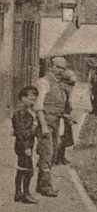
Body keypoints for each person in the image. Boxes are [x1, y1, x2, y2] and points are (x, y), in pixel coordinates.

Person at [32, 56, 69, 197]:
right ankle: (46, 187)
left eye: (63, 68)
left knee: (51, 153)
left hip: (54, 122)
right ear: (51, 67)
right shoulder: (44, 82)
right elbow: (39, 106)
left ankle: (40, 186)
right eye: (59, 67)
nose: (61, 71)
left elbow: (55, 105)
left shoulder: (58, 83)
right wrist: (44, 127)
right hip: (46, 123)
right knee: (46, 153)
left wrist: (65, 115)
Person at [12, 86, 39, 204]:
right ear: (23, 98)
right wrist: (26, 148)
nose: (33, 101)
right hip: (23, 145)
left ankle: (18, 193)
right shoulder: (20, 113)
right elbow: (21, 132)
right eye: (31, 99)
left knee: (21, 169)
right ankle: (26, 194)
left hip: (27, 144)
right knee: (28, 170)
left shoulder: (27, 112)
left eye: (34, 99)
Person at [53, 69, 78, 166]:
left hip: (66, 118)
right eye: (70, 84)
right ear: (64, 82)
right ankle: (57, 158)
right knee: (60, 138)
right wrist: (65, 115)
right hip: (60, 118)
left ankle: (61, 157)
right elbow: (57, 107)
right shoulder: (60, 92)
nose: (71, 87)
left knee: (66, 138)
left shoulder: (66, 92)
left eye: (73, 85)